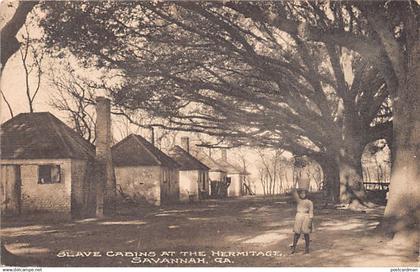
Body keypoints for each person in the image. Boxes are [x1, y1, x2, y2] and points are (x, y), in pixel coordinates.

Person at [290, 188, 314, 254]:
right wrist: (298, 188)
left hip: (306, 217)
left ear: (306, 194)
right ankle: (294, 247)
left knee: (306, 233)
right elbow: (293, 192)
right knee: (297, 233)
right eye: (301, 193)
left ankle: (307, 248)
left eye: (304, 193)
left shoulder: (309, 202)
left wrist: (310, 221)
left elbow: (311, 212)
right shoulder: (299, 200)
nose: (302, 195)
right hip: (298, 217)